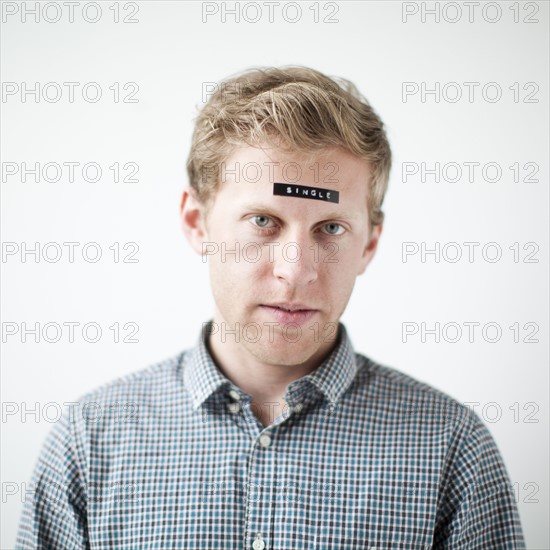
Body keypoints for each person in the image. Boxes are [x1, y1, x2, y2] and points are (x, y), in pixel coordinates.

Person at [16, 66, 525, 549]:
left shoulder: (450, 448)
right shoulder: (89, 441)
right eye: (263, 221)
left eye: (331, 228)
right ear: (197, 223)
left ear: (369, 243)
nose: (296, 269)